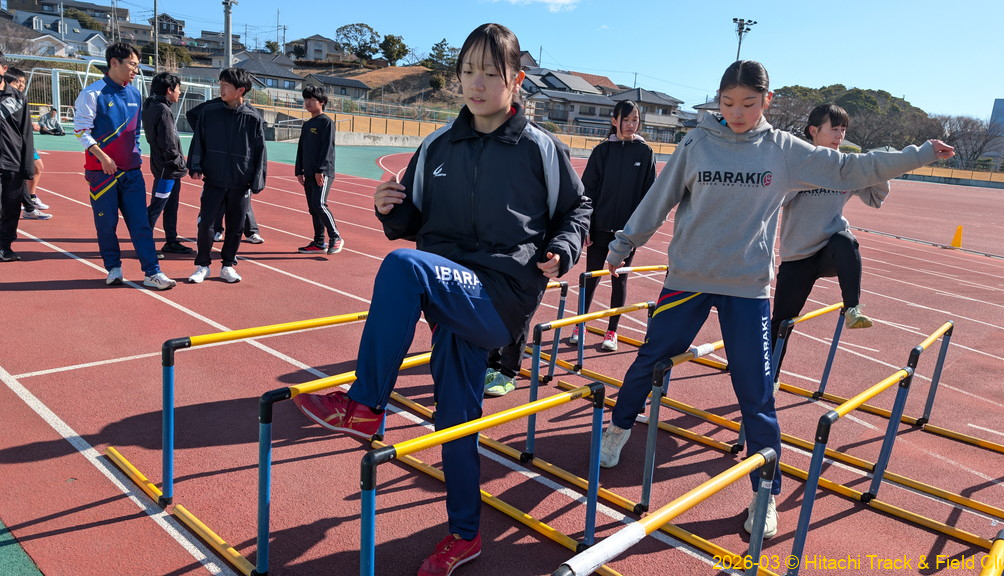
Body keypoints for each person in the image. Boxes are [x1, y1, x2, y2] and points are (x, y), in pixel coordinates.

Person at [598, 60, 954, 540]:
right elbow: (658, 199)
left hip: (747, 287)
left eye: (748, 104)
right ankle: (618, 429)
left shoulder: (784, 151)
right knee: (652, 359)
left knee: (756, 392)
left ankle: (764, 491)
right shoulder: (696, 143)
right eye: (727, 103)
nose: (737, 113)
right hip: (688, 277)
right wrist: (623, 245)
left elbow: (852, 168)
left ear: (767, 101)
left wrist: (920, 153)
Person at [292, 23, 590, 576]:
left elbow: (577, 209)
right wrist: (389, 207)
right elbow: (414, 219)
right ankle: (465, 536)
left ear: (517, 80)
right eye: (468, 72)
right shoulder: (437, 146)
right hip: (449, 296)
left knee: (402, 267)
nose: (476, 84)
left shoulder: (540, 148)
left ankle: (365, 406)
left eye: (491, 73)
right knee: (454, 421)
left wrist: (565, 247)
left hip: (500, 295)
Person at [771, 104, 887, 373]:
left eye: (843, 130)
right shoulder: (797, 163)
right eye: (834, 129)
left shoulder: (845, 168)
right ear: (813, 131)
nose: (840, 136)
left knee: (845, 241)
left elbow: (875, 198)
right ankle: (770, 377)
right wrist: (811, 175)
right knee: (782, 323)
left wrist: (876, 168)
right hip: (798, 255)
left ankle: (852, 309)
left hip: (829, 251)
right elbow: (777, 199)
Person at [73, 43, 176, 290]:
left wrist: (135, 156)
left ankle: (153, 272)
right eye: (132, 64)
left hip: (131, 172)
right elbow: (81, 131)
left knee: (141, 224)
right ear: (114, 63)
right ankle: (113, 268)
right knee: (106, 225)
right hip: (102, 174)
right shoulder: (92, 93)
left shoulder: (135, 94)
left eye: (137, 66)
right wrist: (103, 158)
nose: (135, 70)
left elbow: (135, 133)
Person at [571, 99, 656, 352]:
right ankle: (580, 326)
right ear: (614, 121)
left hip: (626, 233)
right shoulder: (602, 152)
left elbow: (649, 195)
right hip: (598, 228)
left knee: (619, 280)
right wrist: (585, 226)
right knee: (591, 277)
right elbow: (587, 191)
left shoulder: (645, 152)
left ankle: (612, 331)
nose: (630, 125)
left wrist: (637, 231)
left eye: (635, 120)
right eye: (626, 119)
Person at [185, 67, 267, 284]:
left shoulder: (253, 118)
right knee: (206, 224)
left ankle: (228, 265)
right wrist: (195, 165)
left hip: (241, 182)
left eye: (225, 85)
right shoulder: (209, 112)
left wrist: (257, 179)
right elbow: (199, 139)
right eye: (220, 84)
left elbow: (260, 150)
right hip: (214, 179)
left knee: (236, 227)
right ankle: (203, 266)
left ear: (240, 90)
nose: (220, 88)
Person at [142, 72, 192, 256]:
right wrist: (180, 164)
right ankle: (143, 243)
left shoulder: (151, 105)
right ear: (169, 90)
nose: (179, 92)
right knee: (157, 206)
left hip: (164, 167)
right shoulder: (163, 110)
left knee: (170, 206)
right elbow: (168, 143)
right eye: (178, 89)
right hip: (167, 169)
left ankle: (171, 241)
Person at [295, 84, 343, 254]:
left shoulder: (326, 122)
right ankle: (319, 242)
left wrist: (321, 170)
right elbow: (301, 148)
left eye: (312, 99)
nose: (308, 102)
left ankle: (336, 237)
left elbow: (327, 147)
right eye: (306, 99)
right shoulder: (307, 124)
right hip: (308, 172)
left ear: (321, 102)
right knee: (313, 208)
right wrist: (298, 171)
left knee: (319, 204)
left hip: (322, 172)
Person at [0, 53, 35, 262]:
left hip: (13, 161)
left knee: (11, 208)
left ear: (4, 69)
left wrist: (27, 165)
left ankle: (4, 247)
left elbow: (26, 133)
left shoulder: (18, 98)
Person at [5, 68, 52, 221]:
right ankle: (29, 204)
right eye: (17, 82)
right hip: (11, 145)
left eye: (23, 82)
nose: (21, 85)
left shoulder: (20, 99)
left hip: (20, 144)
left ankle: (30, 201)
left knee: (35, 167)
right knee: (20, 175)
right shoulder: (7, 99)